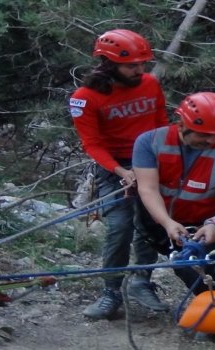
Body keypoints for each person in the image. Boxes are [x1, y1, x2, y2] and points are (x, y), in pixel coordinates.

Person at [69, 29, 169, 319]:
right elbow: (92, 144)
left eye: (142, 64)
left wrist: (161, 162)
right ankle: (111, 292)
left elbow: (161, 124)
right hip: (114, 167)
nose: (140, 70)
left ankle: (142, 281)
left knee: (153, 224)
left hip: (150, 161)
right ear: (109, 64)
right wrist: (121, 171)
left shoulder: (149, 84)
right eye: (132, 65)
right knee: (120, 226)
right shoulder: (85, 98)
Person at [132, 92, 215, 294]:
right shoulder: (149, 142)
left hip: (211, 222)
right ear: (182, 125)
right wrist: (167, 223)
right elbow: (148, 189)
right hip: (162, 222)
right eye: (203, 134)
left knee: (191, 264)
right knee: (186, 263)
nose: (211, 140)